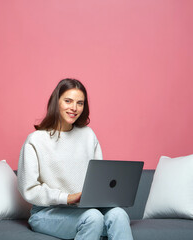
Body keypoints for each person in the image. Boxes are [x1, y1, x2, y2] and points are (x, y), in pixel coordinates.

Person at [17, 78, 133, 240]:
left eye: (80, 103)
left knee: (119, 214)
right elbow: (29, 189)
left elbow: (99, 179)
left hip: (85, 210)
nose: (74, 108)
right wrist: (67, 198)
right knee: (93, 217)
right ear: (56, 102)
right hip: (47, 212)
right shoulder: (35, 140)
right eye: (68, 101)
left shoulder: (88, 135)